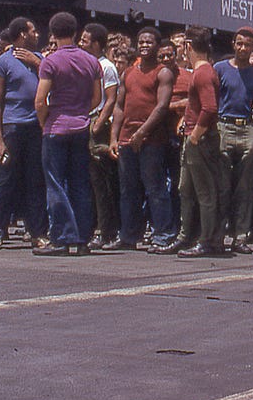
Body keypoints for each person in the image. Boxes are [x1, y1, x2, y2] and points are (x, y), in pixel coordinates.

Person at [35, 12, 101, 256]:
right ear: (75, 32)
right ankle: (82, 239)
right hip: (81, 126)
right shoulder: (91, 61)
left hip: (56, 126)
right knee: (80, 184)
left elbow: (40, 100)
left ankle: (61, 237)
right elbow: (97, 97)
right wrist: (82, 111)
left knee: (55, 183)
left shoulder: (50, 62)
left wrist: (45, 122)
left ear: (52, 34)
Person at [108, 27, 177, 251]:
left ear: (157, 45)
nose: (145, 45)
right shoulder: (128, 72)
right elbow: (119, 107)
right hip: (127, 139)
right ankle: (128, 235)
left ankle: (163, 235)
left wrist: (142, 133)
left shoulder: (163, 72)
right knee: (128, 190)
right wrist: (114, 138)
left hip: (152, 141)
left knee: (155, 188)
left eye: (149, 42)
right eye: (141, 42)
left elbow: (162, 107)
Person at [0, 17, 47, 250]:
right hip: (11, 128)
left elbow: (58, 82)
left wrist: (37, 63)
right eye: (33, 30)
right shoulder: (2, 63)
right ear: (22, 34)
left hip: (36, 127)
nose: (37, 34)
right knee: (4, 180)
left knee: (35, 181)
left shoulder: (41, 59)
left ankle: (37, 232)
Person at [213, 28, 253, 252]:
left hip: (247, 128)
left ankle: (240, 236)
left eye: (248, 45)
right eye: (240, 44)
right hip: (223, 126)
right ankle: (218, 235)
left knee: (244, 187)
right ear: (233, 44)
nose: (243, 48)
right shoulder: (220, 68)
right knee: (222, 186)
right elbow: (213, 100)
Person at [175, 26, 224, 257]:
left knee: (204, 192)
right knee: (186, 188)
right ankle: (187, 236)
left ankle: (207, 240)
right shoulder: (203, 71)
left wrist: (195, 135)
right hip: (194, 136)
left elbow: (210, 107)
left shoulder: (203, 73)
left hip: (199, 140)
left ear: (188, 47)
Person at [79, 22, 122, 248]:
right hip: (83, 121)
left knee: (101, 182)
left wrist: (98, 124)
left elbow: (111, 99)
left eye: (85, 40)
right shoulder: (86, 64)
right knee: (88, 181)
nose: (81, 43)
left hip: (98, 124)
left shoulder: (107, 67)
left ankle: (105, 231)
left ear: (96, 44)